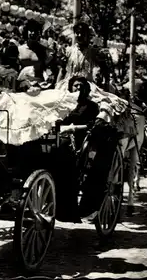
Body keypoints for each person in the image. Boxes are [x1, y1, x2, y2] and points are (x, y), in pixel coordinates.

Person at [55, 76, 99, 223]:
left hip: (78, 138)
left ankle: (67, 209)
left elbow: (91, 125)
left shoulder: (91, 106)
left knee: (63, 148)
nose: (77, 88)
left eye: (80, 86)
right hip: (60, 134)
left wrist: (74, 128)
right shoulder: (63, 103)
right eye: (75, 86)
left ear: (85, 88)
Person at [17, 19, 51, 92]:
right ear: (26, 31)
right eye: (30, 30)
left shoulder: (44, 50)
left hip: (41, 87)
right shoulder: (19, 49)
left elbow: (48, 70)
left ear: (39, 33)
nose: (32, 33)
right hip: (23, 88)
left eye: (35, 30)